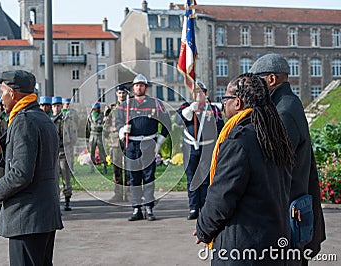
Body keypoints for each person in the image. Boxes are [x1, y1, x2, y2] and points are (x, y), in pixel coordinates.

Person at [195, 73, 295, 265]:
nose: (223, 105)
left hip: (243, 248)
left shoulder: (239, 142)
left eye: (226, 99)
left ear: (238, 103)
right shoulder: (275, 136)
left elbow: (221, 197)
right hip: (274, 241)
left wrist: (203, 229)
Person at [0, 70, 63, 265]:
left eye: (2, 92)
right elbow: (35, 162)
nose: (1, 98)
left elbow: (21, 174)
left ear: (12, 94)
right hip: (42, 215)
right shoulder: (41, 117)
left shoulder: (23, 120)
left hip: (27, 217)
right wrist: (0, 149)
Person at [249, 53, 326, 263]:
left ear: (271, 80)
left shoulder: (283, 110)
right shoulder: (287, 103)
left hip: (289, 209)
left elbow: (276, 164)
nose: (252, 87)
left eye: (256, 81)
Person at [116, 74, 172, 221]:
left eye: (142, 85)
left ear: (146, 88)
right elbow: (118, 122)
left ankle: (149, 207)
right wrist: (123, 130)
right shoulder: (125, 105)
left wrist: (159, 141)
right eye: (136, 85)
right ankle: (136, 208)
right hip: (132, 144)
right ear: (133, 88)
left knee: (148, 177)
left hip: (148, 144)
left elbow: (167, 123)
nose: (139, 87)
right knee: (133, 177)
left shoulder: (156, 104)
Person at [176, 79, 223, 220]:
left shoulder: (213, 109)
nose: (198, 94)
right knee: (191, 178)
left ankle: (204, 207)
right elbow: (178, 122)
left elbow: (220, 127)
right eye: (196, 92)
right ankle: (193, 208)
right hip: (190, 147)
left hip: (207, 148)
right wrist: (190, 110)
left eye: (201, 92)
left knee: (205, 179)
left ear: (205, 93)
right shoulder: (186, 106)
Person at [104, 84, 131, 202]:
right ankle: (118, 193)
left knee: (129, 167)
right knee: (117, 168)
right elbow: (106, 125)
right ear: (116, 94)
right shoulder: (111, 108)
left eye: (123, 93)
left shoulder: (131, 106)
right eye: (119, 93)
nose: (121, 95)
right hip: (115, 141)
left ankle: (129, 192)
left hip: (128, 140)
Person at [51, 96, 74, 211]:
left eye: (58, 106)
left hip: (64, 150)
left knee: (66, 176)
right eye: (54, 106)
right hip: (53, 152)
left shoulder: (66, 119)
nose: (56, 108)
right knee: (54, 178)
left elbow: (72, 134)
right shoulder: (49, 120)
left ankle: (67, 199)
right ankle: (56, 201)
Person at [86, 102, 107, 174]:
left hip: (99, 134)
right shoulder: (90, 116)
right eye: (95, 108)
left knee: (102, 151)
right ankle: (92, 167)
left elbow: (104, 125)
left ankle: (104, 165)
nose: (96, 110)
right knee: (92, 151)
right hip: (92, 134)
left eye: (97, 108)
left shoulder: (102, 115)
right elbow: (88, 127)